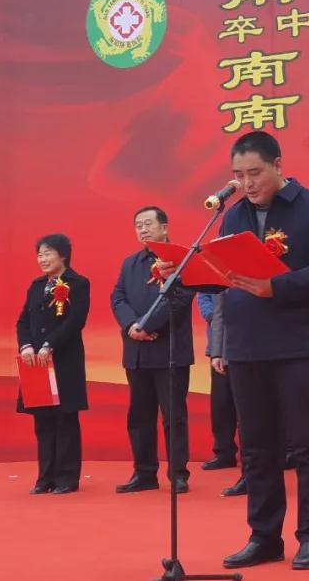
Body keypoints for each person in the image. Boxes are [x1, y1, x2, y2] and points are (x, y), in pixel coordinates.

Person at [173, 131, 309, 571]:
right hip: (247, 345)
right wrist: (183, 274)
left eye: (254, 173)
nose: (247, 183)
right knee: (256, 448)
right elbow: (223, 275)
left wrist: (279, 286)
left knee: (308, 446)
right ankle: (264, 536)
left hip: (296, 345)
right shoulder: (231, 217)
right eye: (238, 175)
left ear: (278, 166)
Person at [111, 206, 195, 495]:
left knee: (174, 416)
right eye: (138, 225)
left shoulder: (180, 260)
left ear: (164, 228)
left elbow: (182, 297)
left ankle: (178, 474)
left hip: (169, 349)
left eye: (148, 224)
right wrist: (133, 325)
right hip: (137, 350)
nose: (143, 229)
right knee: (139, 415)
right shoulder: (130, 263)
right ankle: (144, 472)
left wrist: (147, 324)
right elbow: (118, 297)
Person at [17, 234, 90, 495]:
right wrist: (26, 346)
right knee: (43, 421)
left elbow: (75, 321)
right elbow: (23, 321)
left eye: (48, 253)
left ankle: (67, 478)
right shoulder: (36, 286)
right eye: (40, 254)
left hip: (63, 361)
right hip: (36, 363)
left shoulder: (78, 283)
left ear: (63, 256)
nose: (43, 259)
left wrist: (49, 344)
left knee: (65, 419)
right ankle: (44, 477)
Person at [206, 292, 248, 497]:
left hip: (263, 354)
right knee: (240, 416)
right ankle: (248, 475)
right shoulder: (225, 276)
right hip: (232, 353)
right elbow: (219, 315)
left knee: (252, 419)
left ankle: (256, 472)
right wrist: (216, 353)